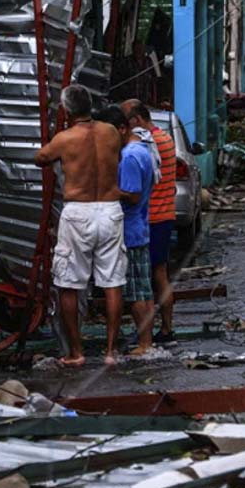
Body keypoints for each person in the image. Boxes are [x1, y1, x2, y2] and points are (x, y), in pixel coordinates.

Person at [34, 85, 125, 367]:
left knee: (68, 284)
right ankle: (111, 351)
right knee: (112, 282)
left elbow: (40, 158)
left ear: (67, 110)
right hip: (110, 210)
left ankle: (76, 352)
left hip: (78, 212)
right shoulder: (110, 132)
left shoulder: (64, 138)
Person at [94, 106, 157, 358]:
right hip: (138, 227)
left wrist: (107, 188)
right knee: (143, 289)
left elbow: (132, 195)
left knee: (135, 292)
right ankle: (146, 341)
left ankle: (145, 343)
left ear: (122, 129)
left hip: (130, 229)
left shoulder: (130, 156)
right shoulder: (141, 149)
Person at [121, 99, 180, 345]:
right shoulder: (164, 139)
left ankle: (155, 331)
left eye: (125, 120)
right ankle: (165, 328)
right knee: (160, 274)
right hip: (164, 214)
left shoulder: (147, 145)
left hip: (151, 217)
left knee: (149, 278)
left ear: (136, 120)